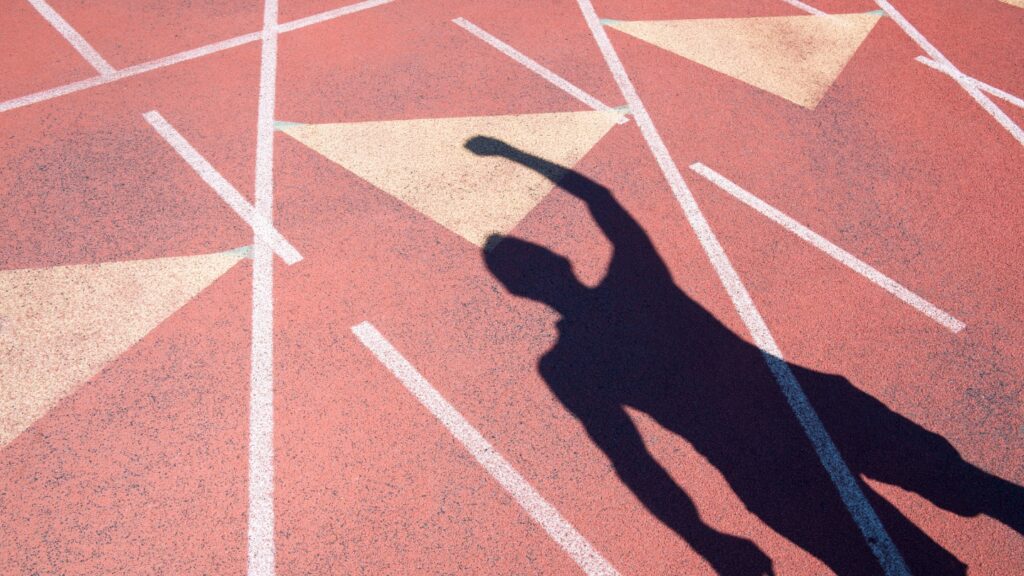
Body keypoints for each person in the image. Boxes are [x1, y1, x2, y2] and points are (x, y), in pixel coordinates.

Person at [468, 136, 1023, 575]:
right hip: (813, 410)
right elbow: (600, 200)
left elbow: (634, 462)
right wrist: (510, 153)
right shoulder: (636, 282)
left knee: (924, 538)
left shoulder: (568, 366)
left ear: (521, 294)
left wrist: (708, 541)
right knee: (975, 489)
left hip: (762, 463)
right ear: (561, 261)